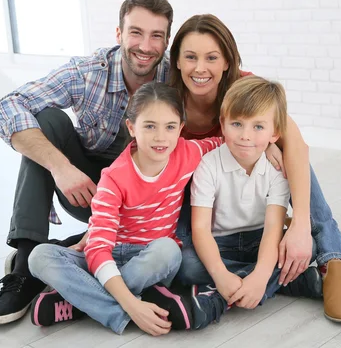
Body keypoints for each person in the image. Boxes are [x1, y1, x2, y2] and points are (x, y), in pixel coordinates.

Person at [0, 0, 174, 325]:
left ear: (167, 41)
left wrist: (276, 137)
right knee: (47, 121)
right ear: (119, 34)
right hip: (88, 190)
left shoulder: (175, 77)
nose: (145, 46)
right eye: (136, 32)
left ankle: (75, 271)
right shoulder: (88, 73)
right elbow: (8, 106)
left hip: (147, 206)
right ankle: (27, 260)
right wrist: (60, 167)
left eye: (156, 36)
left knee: (174, 256)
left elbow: (231, 89)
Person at [169, 14, 341, 323]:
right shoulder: (169, 100)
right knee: (183, 264)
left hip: (254, 202)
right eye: (190, 57)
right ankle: (289, 279)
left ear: (228, 62)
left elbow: (296, 145)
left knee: (288, 158)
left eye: (212, 58)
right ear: (176, 61)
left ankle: (332, 256)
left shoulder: (247, 88)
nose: (200, 68)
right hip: (203, 210)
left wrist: (298, 227)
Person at [26, 82, 222, 335]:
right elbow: (97, 251)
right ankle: (126, 308)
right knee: (40, 257)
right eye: (149, 126)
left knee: (169, 249)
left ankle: (80, 302)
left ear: (181, 129)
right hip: (110, 254)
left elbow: (229, 141)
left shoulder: (189, 152)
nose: (161, 137)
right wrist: (131, 307)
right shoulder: (114, 178)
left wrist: (273, 145)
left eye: (170, 127)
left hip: (150, 259)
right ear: (131, 127)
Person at [157, 75, 323, 330]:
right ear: (223, 124)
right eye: (237, 124)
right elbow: (200, 230)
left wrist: (259, 276)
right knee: (186, 265)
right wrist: (221, 274)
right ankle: (291, 282)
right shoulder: (209, 165)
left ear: (274, 133)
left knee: (307, 245)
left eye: (258, 127)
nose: (246, 136)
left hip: (260, 239)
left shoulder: (276, 168)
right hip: (220, 243)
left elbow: (272, 230)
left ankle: (218, 301)